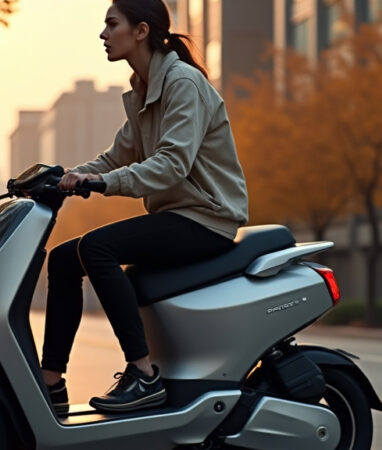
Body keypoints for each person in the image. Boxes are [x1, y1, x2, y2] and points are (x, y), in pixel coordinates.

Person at [40, 0, 249, 413]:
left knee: (97, 248)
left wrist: (99, 184)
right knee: (63, 258)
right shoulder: (142, 90)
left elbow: (171, 165)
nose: (103, 34)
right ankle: (50, 383)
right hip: (178, 217)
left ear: (141, 31)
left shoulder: (181, 83)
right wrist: (61, 178)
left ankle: (143, 374)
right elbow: (115, 157)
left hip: (207, 218)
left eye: (111, 24)